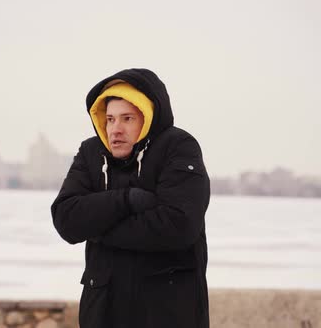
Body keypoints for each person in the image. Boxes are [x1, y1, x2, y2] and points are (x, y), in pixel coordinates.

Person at [51, 68, 210, 328]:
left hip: (166, 313)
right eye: (110, 119)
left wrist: (97, 228)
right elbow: (66, 219)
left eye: (127, 118)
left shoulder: (179, 147)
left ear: (147, 118)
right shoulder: (91, 152)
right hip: (103, 313)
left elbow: (179, 225)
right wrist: (127, 200)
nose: (116, 129)